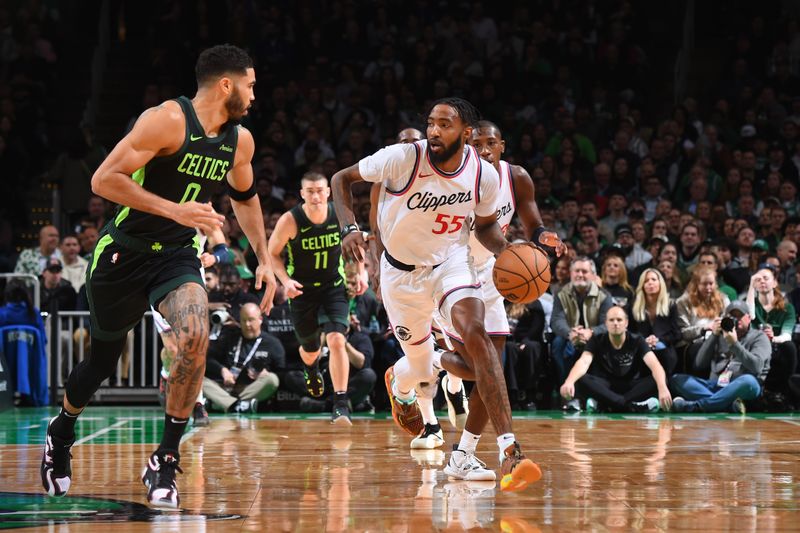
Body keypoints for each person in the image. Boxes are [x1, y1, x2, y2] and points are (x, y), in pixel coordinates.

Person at [40, 45, 277, 509]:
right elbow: (103, 180)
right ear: (226, 84)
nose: (254, 94)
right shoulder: (166, 120)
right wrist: (175, 209)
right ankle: (61, 431)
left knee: (195, 334)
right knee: (103, 362)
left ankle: (165, 458)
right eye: (250, 84)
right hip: (122, 254)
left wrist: (264, 256)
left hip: (176, 257)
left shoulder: (240, 141)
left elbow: (245, 198)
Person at [332, 98, 542, 492]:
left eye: (444, 125)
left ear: (465, 133)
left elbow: (484, 227)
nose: (433, 131)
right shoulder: (402, 158)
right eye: (430, 123)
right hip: (401, 276)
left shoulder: (483, 175)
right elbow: (341, 179)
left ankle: (510, 450)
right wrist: (349, 228)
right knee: (424, 367)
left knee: (478, 338)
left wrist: (507, 251)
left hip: (450, 263)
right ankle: (402, 381)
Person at [268, 172, 359, 425]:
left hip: (334, 288)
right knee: (311, 350)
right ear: (302, 194)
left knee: (337, 340)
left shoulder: (340, 214)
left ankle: (340, 404)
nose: (316, 195)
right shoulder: (290, 220)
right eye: (310, 191)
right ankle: (311, 368)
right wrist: (285, 281)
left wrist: (360, 273)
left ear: (329, 192)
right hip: (302, 291)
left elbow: (356, 244)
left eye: (320, 190)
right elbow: (272, 253)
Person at [559, 306, 672, 413]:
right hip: (606, 387)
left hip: (631, 387)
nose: (615, 323)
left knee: (660, 379)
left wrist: (662, 388)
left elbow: (655, 365)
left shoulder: (637, 340)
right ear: (606, 324)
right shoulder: (597, 340)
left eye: (619, 320)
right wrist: (569, 381)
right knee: (580, 378)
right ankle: (631, 406)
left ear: (626, 323)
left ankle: (606, 405)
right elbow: (584, 362)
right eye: (611, 320)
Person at [671, 301, 771, 413]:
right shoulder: (720, 335)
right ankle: (727, 405)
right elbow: (699, 364)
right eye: (731, 316)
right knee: (677, 380)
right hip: (715, 385)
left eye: (739, 316)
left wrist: (735, 344)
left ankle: (697, 406)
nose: (736, 319)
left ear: (748, 318)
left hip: (741, 387)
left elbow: (757, 367)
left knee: (748, 381)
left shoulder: (759, 337)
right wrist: (714, 335)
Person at [550, 256, 614, 406]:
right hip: (570, 336)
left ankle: (593, 394)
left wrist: (590, 332)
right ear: (571, 274)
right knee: (558, 344)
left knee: (600, 344)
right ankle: (567, 392)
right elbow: (556, 320)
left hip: (595, 337)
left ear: (593, 275)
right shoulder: (561, 293)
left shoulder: (604, 295)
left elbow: (607, 324)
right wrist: (570, 333)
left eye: (584, 271)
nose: (580, 274)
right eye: (576, 271)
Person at [203, 303, 283, 413]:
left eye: (251, 320)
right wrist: (222, 370)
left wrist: (264, 374)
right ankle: (237, 405)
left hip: (249, 389)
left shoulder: (272, 343)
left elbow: (282, 372)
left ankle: (224, 404)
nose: (247, 324)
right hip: (223, 389)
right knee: (198, 380)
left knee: (272, 379)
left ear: (260, 319)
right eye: (243, 320)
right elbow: (209, 359)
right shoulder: (229, 337)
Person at [745, 264, 798, 404]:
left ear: (774, 283)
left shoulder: (787, 307)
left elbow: (787, 335)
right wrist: (751, 285)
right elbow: (749, 316)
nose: (762, 281)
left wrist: (773, 338)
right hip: (756, 347)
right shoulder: (753, 305)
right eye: (758, 279)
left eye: (766, 278)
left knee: (790, 347)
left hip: (777, 347)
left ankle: (785, 392)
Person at [629, 268, 681, 375]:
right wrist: (644, 341)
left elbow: (677, 334)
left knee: (661, 349)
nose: (650, 283)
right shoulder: (633, 306)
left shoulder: (671, 305)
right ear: (642, 285)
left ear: (660, 283)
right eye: (646, 281)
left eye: (653, 279)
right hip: (641, 347)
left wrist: (658, 340)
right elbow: (630, 332)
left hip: (665, 349)